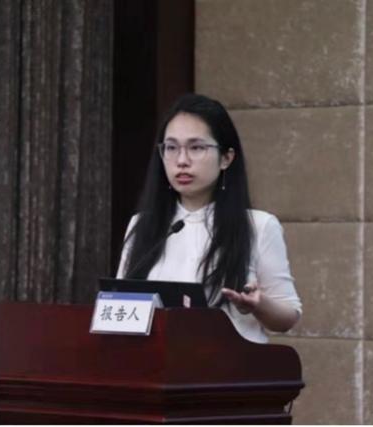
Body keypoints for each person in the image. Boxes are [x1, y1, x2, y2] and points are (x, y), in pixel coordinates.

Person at [117, 94, 301, 343]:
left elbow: (288, 316)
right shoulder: (142, 224)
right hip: (155, 363)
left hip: (231, 363)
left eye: (196, 148)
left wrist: (259, 304)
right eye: (171, 148)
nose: (182, 161)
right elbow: (120, 304)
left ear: (226, 158)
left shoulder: (259, 226)